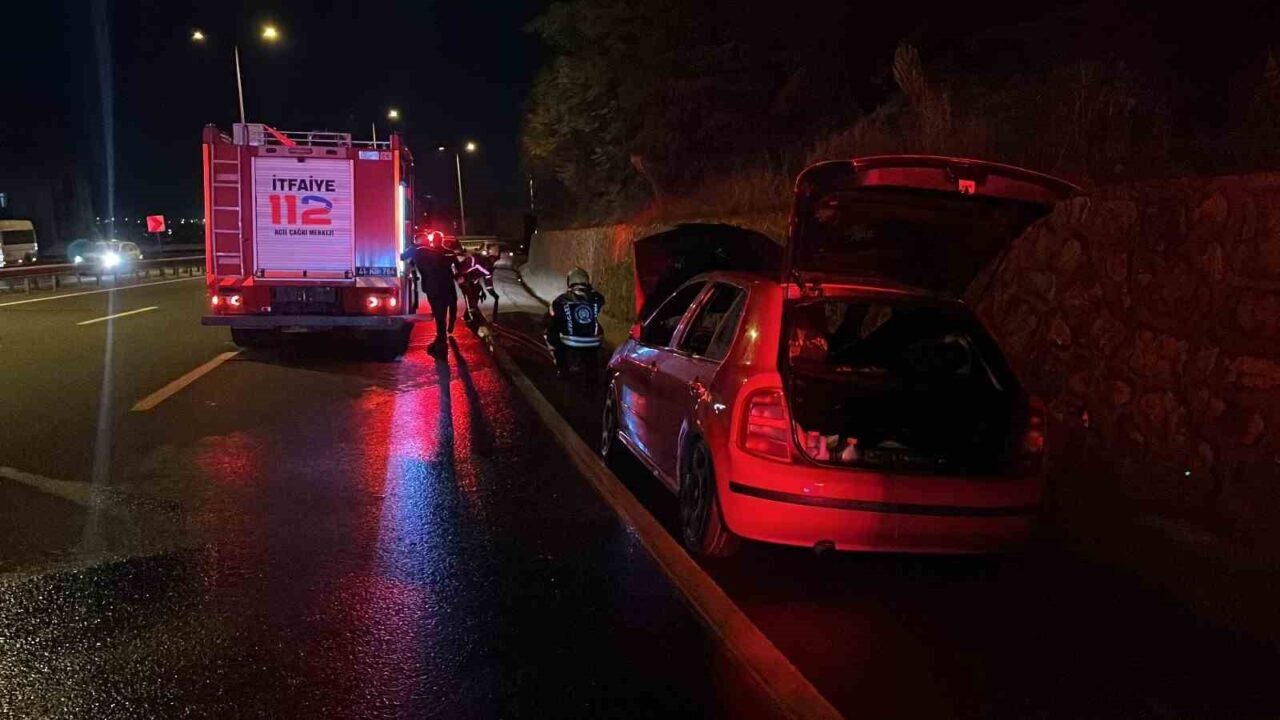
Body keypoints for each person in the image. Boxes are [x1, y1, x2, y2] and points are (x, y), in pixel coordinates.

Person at [402, 230, 458, 355]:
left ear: (418, 240)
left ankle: (441, 343)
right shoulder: (436, 252)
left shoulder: (416, 250)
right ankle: (441, 339)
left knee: (439, 314)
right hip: (445, 286)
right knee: (442, 314)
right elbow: (448, 266)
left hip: (433, 288)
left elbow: (403, 257)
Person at [545, 267, 605, 374]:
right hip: (593, 342)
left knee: (552, 328)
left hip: (569, 341)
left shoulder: (561, 300)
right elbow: (601, 300)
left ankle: (562, 368)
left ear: (570, 281)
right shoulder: (596, 298)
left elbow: (551, 316)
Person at [454, 248, 494, 323]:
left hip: (470, 280)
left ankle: (470, 314)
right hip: (465, 281)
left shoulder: (483, 265)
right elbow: (461, 271)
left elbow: (485, 275)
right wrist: (460, 278)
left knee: (475, 296)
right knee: (469, 297)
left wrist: (489, 288)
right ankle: (471, 316)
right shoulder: (476, 263)